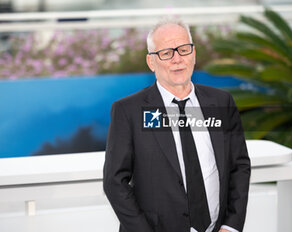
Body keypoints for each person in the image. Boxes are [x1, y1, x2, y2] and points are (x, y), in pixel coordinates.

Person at [103, 18, 251, 232]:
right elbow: (114, 182)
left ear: (194, 54)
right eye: (166, 52)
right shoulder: (129, 111)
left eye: (183, 49)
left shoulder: (221, 102)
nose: (177, 59)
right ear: (151, 62)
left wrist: (231, 225)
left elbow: (239, 166)